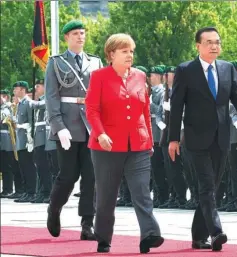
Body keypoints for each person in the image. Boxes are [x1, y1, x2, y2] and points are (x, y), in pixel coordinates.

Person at [168, 27, 237, 251]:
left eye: (217, 42)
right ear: (198, 46)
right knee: (207, 186)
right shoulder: (185, 70)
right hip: (195, 138)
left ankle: (198, 238)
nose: (214, 46)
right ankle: (216, 232)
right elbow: (176, 106)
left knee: (211, 189)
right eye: (209, 42)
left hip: (221, 137)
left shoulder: (228, 68)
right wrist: (173, 139)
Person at [85, 33, 163, 254]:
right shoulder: (99, 76)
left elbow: (144, 111)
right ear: (111, 54)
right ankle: (103, 237)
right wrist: (100, 133)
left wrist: (149, 139)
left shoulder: (140, 76)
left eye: (131, 51)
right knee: (107, 196)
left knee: (142, 192)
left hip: (138, 145)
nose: (130, 55)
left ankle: (149, 234)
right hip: (106, 147)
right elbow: (92, 109)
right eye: (124, 51)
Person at [45, 20, 103, 240]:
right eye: (76, 33)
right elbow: (51, 97)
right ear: (67, 37)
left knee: (91, 177)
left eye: (83, 33)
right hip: (67, 127)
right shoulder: (56, 62)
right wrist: (58, 126)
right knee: (68, 176)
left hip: (91, 127)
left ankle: (87, 223)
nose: (81, 37)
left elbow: (99, 97)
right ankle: (54, 208)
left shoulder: (95, 62)